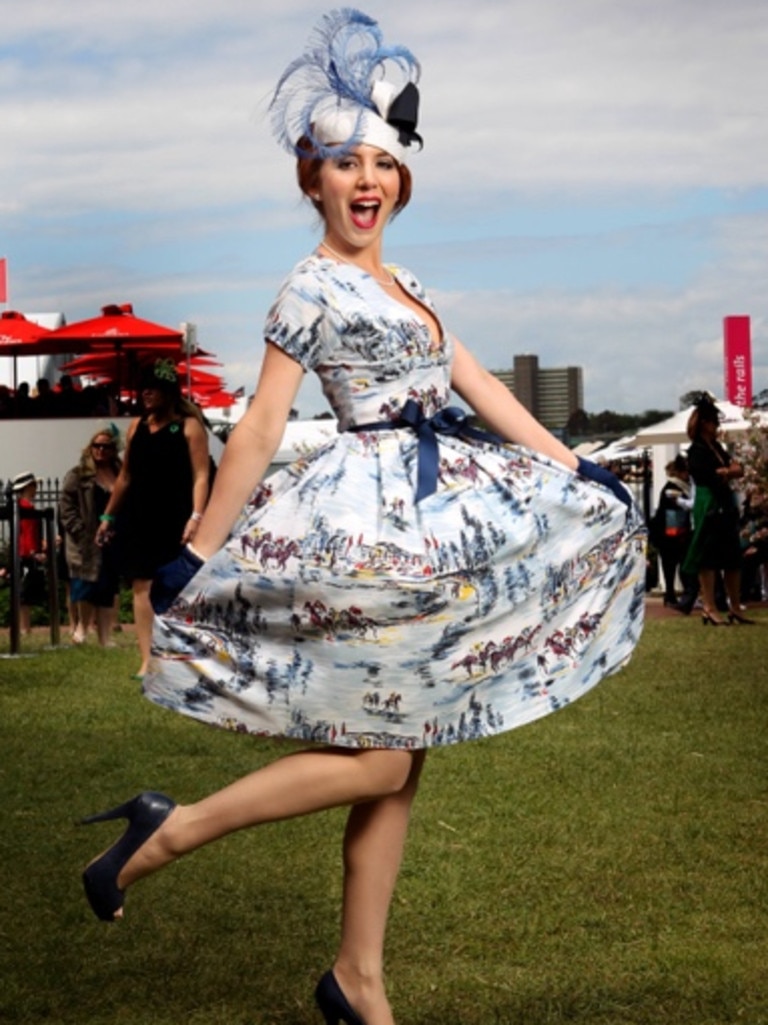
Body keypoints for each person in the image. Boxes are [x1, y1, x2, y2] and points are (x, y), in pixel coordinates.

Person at [79, 12, 647, 1025]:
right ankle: (165, 832)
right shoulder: (310, 285)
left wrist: (577, 465)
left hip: (432, 520)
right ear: (313, 180)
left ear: (402, 179)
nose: (364, 179)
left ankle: (358, 976)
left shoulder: (412, 286)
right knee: (382, 754)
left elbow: (478, 385)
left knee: (401, 759)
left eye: (380, 160)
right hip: (369, 529)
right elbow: (258, 425)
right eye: (344, 163)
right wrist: (196, 548)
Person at [94, 360, 210, 677]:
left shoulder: (188, 427)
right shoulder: (137, 427)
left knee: (177, 586)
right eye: (142, 388)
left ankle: (181, 655)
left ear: (168, 391)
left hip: (176, 518)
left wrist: (196, 516)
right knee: (141, 586)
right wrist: (108, 516)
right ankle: (148, 660)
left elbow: (201, 476)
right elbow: (125, 477)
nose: (145, 393)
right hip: (139, 518)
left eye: (152, 387)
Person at [682, 394, 752, 625]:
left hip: (724, 502)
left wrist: (725, 472)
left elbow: (737, 468)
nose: (717, 425)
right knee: (708, 557)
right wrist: (725, 472)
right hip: (710, 503)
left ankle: (734, 606)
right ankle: (709, 606)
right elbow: (707, 475)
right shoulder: (697, 450)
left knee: (732, 558)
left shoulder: (717, 448)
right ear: (704, 423)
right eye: (714, 421)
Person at [59, 425, 124, 646]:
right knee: (85, 586)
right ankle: (82, 629)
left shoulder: (120, 473)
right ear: (90, 448)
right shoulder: (78, 476)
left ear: (113, 449)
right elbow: (66, 509)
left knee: (108, 588)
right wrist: (80, 531)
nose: (101, 450)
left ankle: (105, 636)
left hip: (113, 540)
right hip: (86, 541)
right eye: (97, 446)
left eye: (106, 446)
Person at [652, 454, 697, 610]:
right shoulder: (673, 488)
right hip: (673, 533)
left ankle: (672, 594)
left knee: (671, 564)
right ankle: (672, 593)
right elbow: (673, 514)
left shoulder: (675, 486)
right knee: (674, 564)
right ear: (679, 472)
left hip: (669, 532)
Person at [11, 470, 46, 634]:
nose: (36, 488)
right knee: (24, 593)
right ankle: (25, 628)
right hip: (26, 553)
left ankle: (24, 627)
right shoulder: (25, 508)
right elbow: (28, 533)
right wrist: (34, 551)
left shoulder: (20, 506)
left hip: (23, 552)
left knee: (23, 592)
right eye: (34, 485)